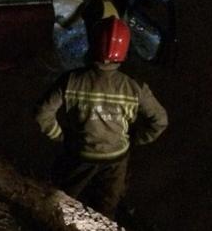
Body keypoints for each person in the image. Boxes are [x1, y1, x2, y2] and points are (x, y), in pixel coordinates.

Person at [35, 17, 168, 219]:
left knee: (64, 201)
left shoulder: (70, 80)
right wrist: (136, 140)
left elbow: (42, 114)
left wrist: (60, 136)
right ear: (123, 52)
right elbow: (160, 121)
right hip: (116, 159)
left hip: (79, 155)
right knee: (106, 209)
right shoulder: (135, 88)